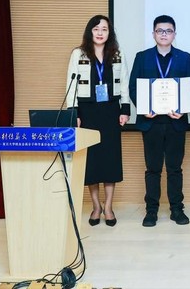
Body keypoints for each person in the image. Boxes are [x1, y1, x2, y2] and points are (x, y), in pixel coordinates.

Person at [66, 15, 131, 227]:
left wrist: (125, 109)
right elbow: (71, 85)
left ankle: (108, 206)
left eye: (104, 29)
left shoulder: (117, 54)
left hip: (110, 111)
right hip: (87, 112)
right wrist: (73, 113)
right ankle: (96, 206)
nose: (100, 32)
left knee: (110, 160)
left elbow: (124, 83)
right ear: (90, 31)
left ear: (109, 32)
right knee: (91, 162)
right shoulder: (78, 54)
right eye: (96, 29)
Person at [129, 15, 190, 228]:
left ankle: (177, 209)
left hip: (176, 122)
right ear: (153, 34)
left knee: (175, 168)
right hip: (151, 123)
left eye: (168, 31)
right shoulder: (142, 57)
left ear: (174, 34)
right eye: (160, 31)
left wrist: (183, 109)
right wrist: (144, 108)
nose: (164, 34)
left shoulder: (184, 58)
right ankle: (151, 211)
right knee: (153, 169)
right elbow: (133, 87)